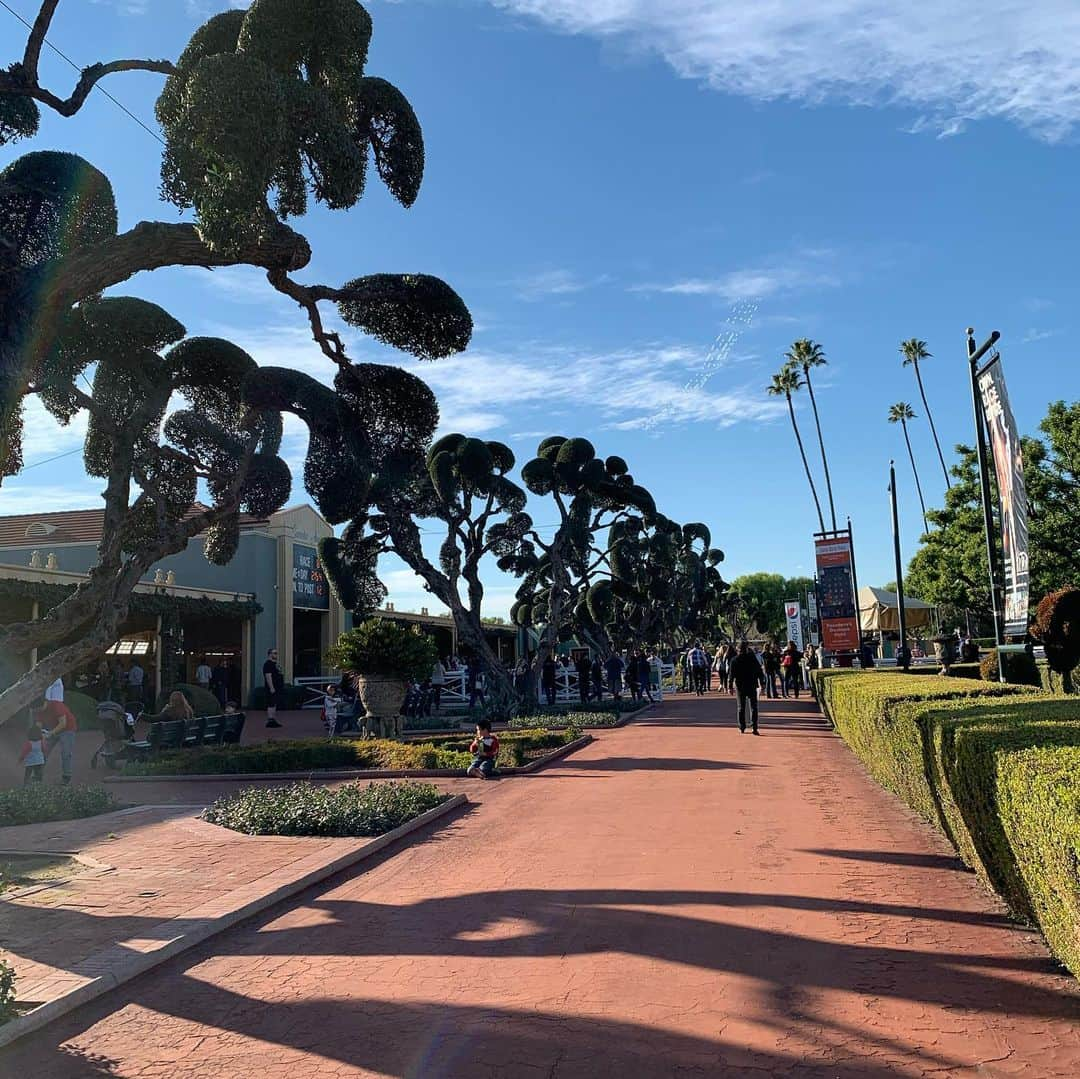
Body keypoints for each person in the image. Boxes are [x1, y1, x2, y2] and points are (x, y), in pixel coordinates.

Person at [36, 696, 78, 784]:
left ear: (45, 702)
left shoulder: (56, 705)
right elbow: (38, 725)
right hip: (52, 729)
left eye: (40, 708)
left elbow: (63, 723)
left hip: (68, 729)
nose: (39, 710)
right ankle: (37, 776)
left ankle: (66, 776)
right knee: (42, 751)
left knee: (66, 753)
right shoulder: (39, 710)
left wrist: (50, 733)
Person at [729, 641, 766, 735]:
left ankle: (742, 726)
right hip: (752, 684)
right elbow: (759, 671)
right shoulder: (752, 658)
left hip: (740, 686)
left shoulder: (734, 660)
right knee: (753, 706)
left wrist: (730, 686)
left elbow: (731, 675)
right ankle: (754, 727)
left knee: (741, 707)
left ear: (738, 650)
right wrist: (762, 683)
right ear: (746, 649)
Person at [20, 718, 45, 785]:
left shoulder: (29, 743)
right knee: (38, 774)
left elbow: (24, 752)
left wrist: (21, 759)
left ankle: (26, 784)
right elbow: (43, 749)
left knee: (28, 774)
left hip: (30, 762)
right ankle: (39, 784)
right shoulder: (41, 742)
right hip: (39, 761)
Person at [263, 647, 284, 728]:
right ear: (270, 654)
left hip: (277, 687)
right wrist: (271, 687)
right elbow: (268, 676)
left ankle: (273, 719)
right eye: (274, 653)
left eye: (276, 653)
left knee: (274, 703)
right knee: (271, 703)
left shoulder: (275, 664)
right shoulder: (268, 664)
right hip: (272, 688)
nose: (276, 655)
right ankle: (270, 720)